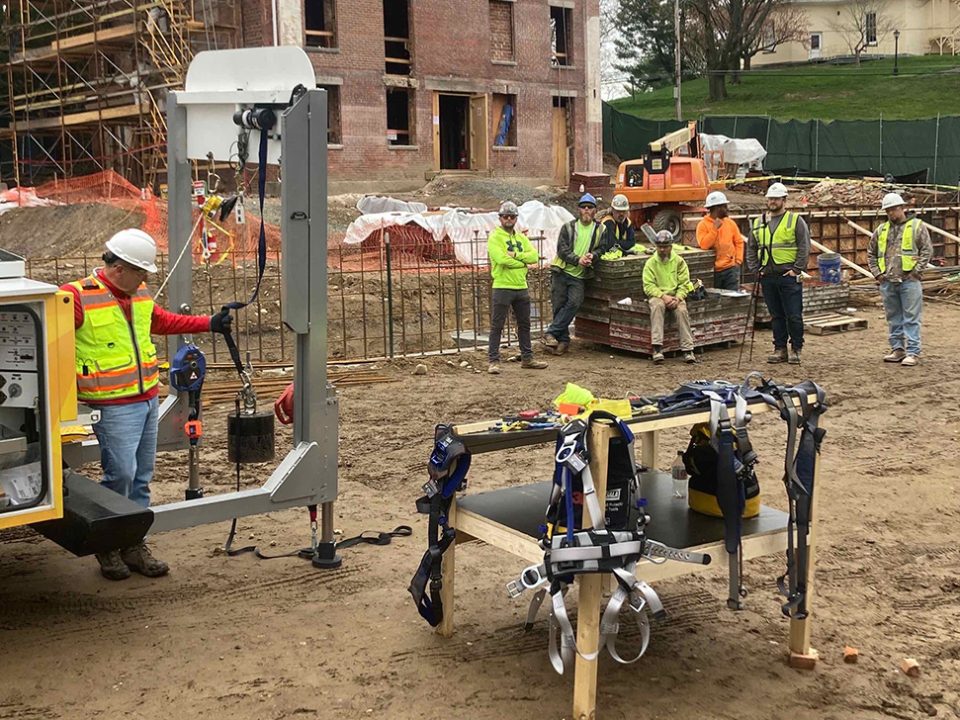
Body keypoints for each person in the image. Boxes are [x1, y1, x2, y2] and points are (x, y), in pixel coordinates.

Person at [61, 229, 233, 580]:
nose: (145, 279)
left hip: (146, 399)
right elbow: (50, 341)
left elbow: (162, 321)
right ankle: (107, 546)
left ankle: (133, 544)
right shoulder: (76, 297)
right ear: (119, 268)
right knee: (120, 475)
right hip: (112, 405)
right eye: (141, 271)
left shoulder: (136, 293)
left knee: (140, 477)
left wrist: (209, 324)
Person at [745, 182, 810, 365]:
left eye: (776, 198)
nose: (772, 201)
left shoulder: (795, 221)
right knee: (776, 315)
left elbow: (804, 246)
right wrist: (755, 269)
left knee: (794, 315)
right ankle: (779, 348)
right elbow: (751, 247)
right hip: (767, 276)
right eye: (770, 198)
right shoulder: (759, 222)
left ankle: (796, 348)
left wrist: (796, 269)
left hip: (788, 275)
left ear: (784, 200)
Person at [867, 193, 932, 367]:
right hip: (888, 281)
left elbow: (927, 250)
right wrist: (878, 274)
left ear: (902, 208)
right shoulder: (881, 230)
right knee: (893, 317)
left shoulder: (916, 226)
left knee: (911, 317)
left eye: (894, 209)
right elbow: (871, 253)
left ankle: (912, 352)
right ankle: (897, 349)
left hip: (909, 281)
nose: (891, 214)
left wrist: (916, 272)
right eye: (888, 211)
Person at [542, 193, 610, 355]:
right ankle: (563, 341)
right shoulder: (568, 227)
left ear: (595, 211)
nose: (586, 210)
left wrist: (593, 256)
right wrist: (577, 259)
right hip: (562, 270)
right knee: (559, 305)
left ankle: (551, 333)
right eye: (583, 207)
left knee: (574, 302)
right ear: (578, 210)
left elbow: (602, 248)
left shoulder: (601, 229)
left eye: (590, 207)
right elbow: (562, 249)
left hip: (579, 275)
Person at [486, 201, 548, 374]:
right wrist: (522, 263)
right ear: (500, 218)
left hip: (521, 286)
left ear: (516, 218)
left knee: (524, 324)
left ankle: (527, 358)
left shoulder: (521, 237)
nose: (508, 219)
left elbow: (534, 256)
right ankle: (493, 361)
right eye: (505, 216)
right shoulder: (495, 237)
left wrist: (516, 256)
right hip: (502, 286)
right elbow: (500, 259)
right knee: (497, 325)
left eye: (512, 216)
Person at [643, 230, 697, 365]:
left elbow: (685, 284)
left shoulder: (679, 262)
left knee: (681, 310)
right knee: (657, 306)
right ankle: (657, 348)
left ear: (671, 246)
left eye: (665, 246)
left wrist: (678, 298)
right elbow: (648, 286)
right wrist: (663, 296)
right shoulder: (650, 263)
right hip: (658, 295)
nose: (662, 249)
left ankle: (688, 349)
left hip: (675, 296)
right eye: (659, 246)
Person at [696, 190, 743, 290]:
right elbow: (704, 245)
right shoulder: (703, 225)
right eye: (724, 206)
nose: (727, 209)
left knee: (731, 298)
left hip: (731, 269)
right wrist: (714, 229)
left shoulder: (730, 223)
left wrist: (738, 261)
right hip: (713, 271)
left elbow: (739, 242)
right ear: (716, 208)